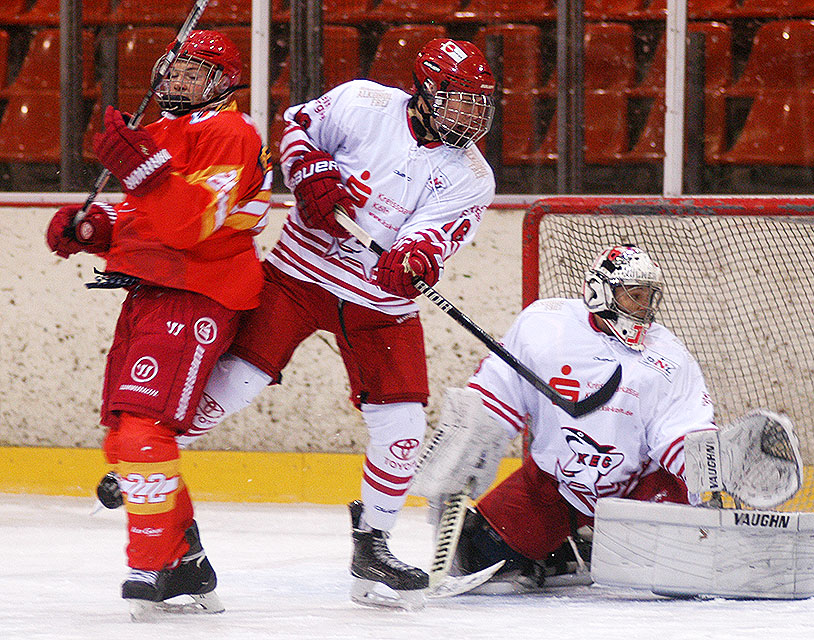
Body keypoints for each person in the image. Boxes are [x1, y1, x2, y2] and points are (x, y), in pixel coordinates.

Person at [177, 38, 497, 609]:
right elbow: (298, 127)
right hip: (300, 271)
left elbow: (432, 240)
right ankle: (151, 457)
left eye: (477, 106)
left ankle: (372, 544)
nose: (467, 117)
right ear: (423, 91)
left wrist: (415, 259)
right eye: (456, 102)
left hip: (379, 304)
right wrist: (312, 173)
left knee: (403, 428)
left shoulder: (472, 175)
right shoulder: (365, 103)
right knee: (235, 384)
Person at [45, 30, 272, 620]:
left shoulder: (232, 134)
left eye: (193, 73)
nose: (176, 81)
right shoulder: (164, 133)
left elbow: (190, 224)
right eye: (173, 70)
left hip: (199, 294)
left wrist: (143, 173)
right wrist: (95, 228)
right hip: (151, 292)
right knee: (125, 434)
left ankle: (149, 561)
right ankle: (185, 562)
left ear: (224, 82)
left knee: (145, 429)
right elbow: (144, 218)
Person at [437, 244, 717, 589]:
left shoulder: (667, 356)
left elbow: (683, 433)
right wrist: (472, 434)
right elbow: (499, 389)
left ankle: (601, 543)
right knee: (471, 555)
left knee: (676, 566)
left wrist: (710, 479)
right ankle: (566, 552)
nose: (644, 307)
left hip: (636, 491)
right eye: (634, 296)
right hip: (555, 487)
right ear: (601, 292)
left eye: (648, 297)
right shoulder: (545, 324)